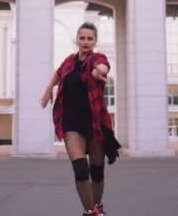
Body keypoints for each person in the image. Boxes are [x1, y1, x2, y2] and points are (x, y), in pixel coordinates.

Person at [40, 21, 119, 216]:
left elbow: (103, 68)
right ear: (77, 39)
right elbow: (58, 74)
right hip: (71, 124)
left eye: (89, 38)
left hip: (95, 125)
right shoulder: (69, 61)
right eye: (82, 38)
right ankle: (91, 212)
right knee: (81, 171)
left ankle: (97, 207)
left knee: (97, 172)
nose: (85, 41)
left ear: (95, 41)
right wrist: (49, 88)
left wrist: (98, 72)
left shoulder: (97, 58)